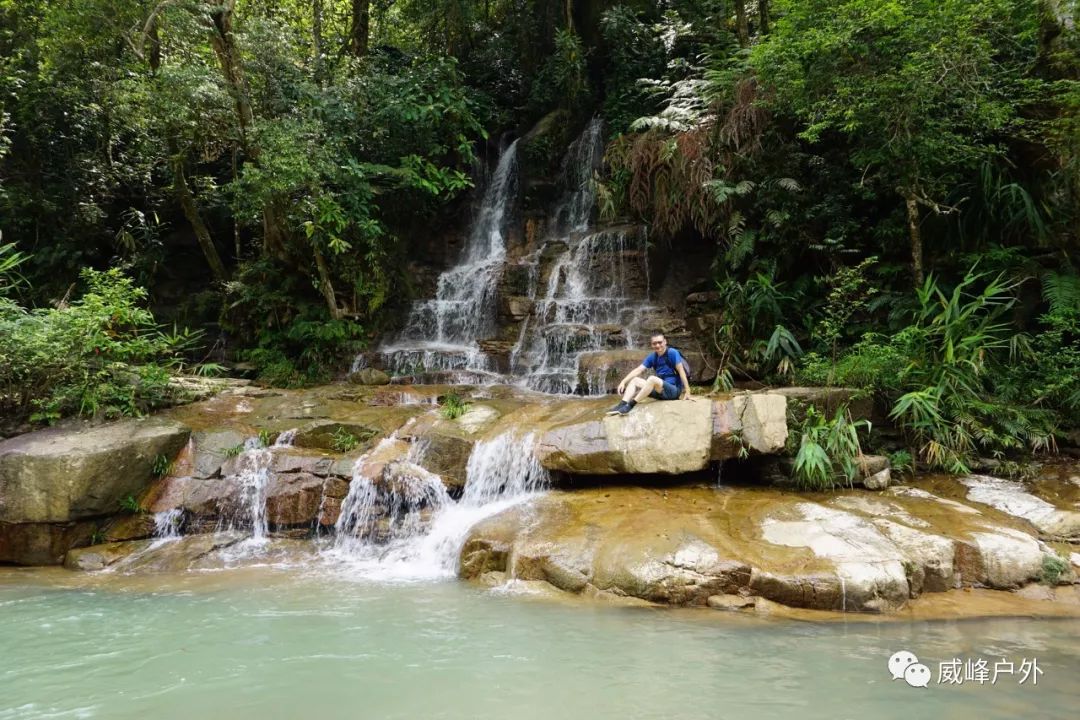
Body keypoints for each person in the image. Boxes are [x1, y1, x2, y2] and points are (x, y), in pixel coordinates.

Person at [607, 333, 691, 415]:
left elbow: (681, 371)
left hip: (673, 391)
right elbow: (638, 370)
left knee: (652, 379)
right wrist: (623, 381)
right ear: (651, 345)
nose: (657, 345)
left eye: (660, 342)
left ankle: (630, 405)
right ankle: (622, 404)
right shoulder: (653, 357)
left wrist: (687, 391)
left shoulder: (672, 353)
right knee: (635, 380)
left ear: (665, 342)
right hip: (660, 391)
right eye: (654, 343)